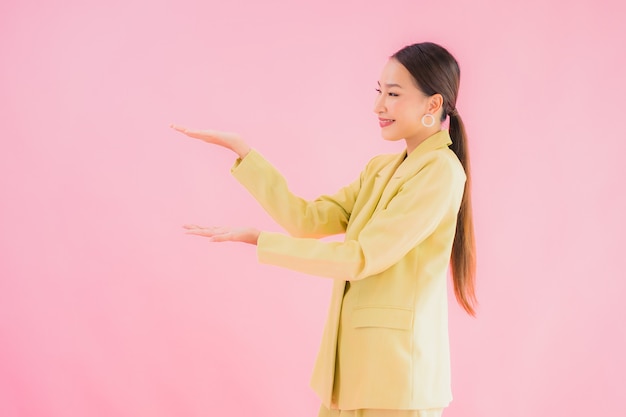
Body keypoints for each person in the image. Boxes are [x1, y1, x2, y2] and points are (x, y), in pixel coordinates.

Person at [171, 41, 476, 417]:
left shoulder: (442, 173)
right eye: (379, 91)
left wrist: (261, 241)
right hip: (350, 372)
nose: (379, 106)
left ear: (433, 104)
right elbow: (306, 220)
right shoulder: (380, 169)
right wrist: (245, 155)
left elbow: (361, 258)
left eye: (393, 94)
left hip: (398, 380)